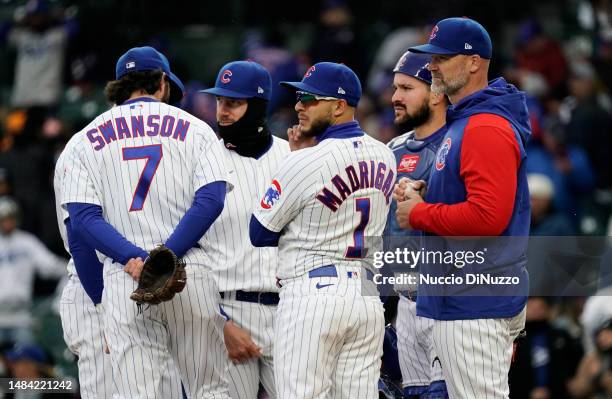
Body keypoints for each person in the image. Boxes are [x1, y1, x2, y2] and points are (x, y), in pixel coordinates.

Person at [60, 46, 232, 398]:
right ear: (162, 82)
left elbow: (82, 220)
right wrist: (166, 256)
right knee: (210, 390)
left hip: (126, 276)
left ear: (120, 85)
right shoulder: (196, 129)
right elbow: (211, 200)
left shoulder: (81, 142)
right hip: (188, 270)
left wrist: (135, 259)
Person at [395, 17, 531, 398]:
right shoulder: (467, 120)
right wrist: (430, 191)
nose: (432, 66)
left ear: (474, 62)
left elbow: (489, 217)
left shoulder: (485, 126)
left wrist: (420, 212)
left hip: (474, 301)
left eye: (442, 57)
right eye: (431, 57)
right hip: (466, 297)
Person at [250, 62, 397, 399]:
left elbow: (259, 232)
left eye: (310, 98)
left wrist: (296, 159)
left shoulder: (304, 160)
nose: (299, 105)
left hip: (312, 294)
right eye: (299, 97)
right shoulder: (385, 155)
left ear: (339, 106)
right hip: (365, 296)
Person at [199, 60, 290, 399]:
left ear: (258, 106)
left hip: (288, 313)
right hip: (228, 310)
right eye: (220, 101)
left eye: (234, 103)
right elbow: (191, 254)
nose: (222, 111)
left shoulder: (292, 156)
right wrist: (219, 322)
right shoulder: (204, 160)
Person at [385, 51, 448, 399]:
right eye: (395, 88)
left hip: (448, 297)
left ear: (437, 93)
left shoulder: (460, 143)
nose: (395, 97)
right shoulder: (390, 149)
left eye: (406, 88)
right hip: (405, 300)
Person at [53, 137, 118, 398]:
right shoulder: (82, 147)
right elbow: (80, 242)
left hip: (129, 285)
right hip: (93, 287)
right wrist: (106, 309)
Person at [0, 196, 66, 346]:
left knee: (27, 359)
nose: (7, 222)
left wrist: (71, 267)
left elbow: (49, 266)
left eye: (10, 217)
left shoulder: (26, 242)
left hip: (21, 317)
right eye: (3, 218)